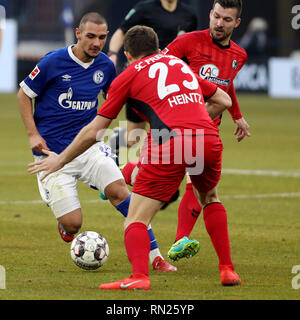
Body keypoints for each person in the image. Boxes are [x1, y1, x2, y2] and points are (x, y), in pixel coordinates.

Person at [28, 25, 242, 289]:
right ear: (156, 46)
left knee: (136, 218)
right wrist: (191, 121)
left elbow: (96, 131)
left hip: (172, 145)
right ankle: (228, 270)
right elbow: (223, 99)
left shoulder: (129, 75)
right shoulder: (179, 64)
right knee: (210, 198)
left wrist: (59, 161)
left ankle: (139, 277)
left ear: (128, 54)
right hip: (207, 138)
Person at [18, 12, 176, 272]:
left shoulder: (104, 65)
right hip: (53, 155)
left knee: (124, 196)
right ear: (78, 34)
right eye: (90, 36)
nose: (96, 42)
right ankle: (67, 227)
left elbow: (119, 96)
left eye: (102, 37)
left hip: (89, 148)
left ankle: (156, 257)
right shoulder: (53, 62)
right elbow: (24, 94)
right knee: (73, 224)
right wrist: (32, 134)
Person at [161, 0, 251, 261]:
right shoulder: (188, 42)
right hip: (175, 122)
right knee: (165, 181)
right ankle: (120, 176)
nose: (219, 23)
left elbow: (226, 84)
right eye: (216, 16)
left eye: (226, 19)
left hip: (208, 128)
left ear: (237, 23)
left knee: (198, 185)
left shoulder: (239, 56)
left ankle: (180, 240)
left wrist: (237, 116)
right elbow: (159, 66)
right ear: (210, 14)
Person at [107, 0, 198, 152]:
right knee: (134, 137)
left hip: (171, 80)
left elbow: (191, 44)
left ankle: (161, 163)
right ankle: (116, 141)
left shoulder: (189, 15)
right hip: (143, 78)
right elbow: (121, 31)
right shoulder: (144, 8)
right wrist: (113, 54)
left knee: (169, 130)